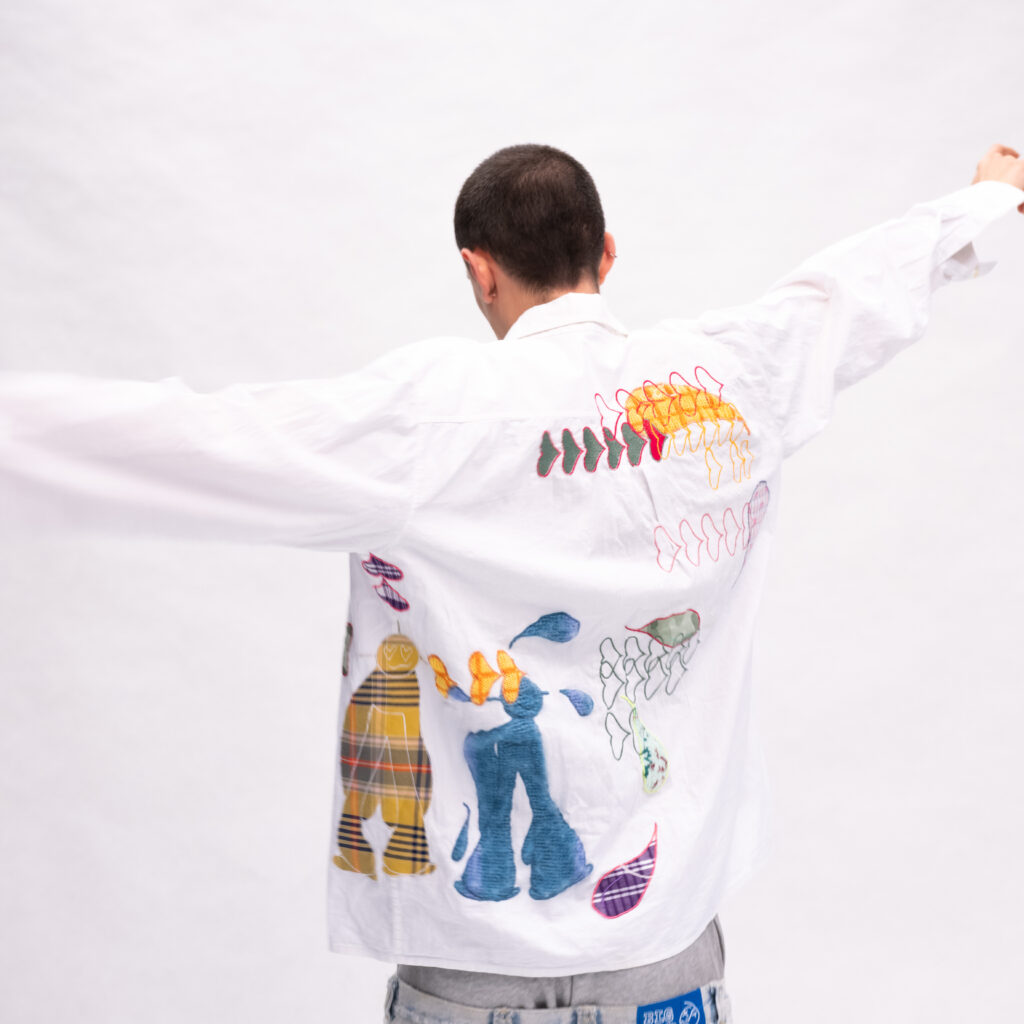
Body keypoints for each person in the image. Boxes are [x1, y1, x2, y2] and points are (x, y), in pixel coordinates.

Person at [2, 143, 1023, 1024]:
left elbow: (204, 441)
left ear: (477, 269)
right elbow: (849, 293)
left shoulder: (427, 417)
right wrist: (983, 200)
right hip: (663, 960)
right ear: (606, 254)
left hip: (471, 968)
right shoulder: (729, 378)